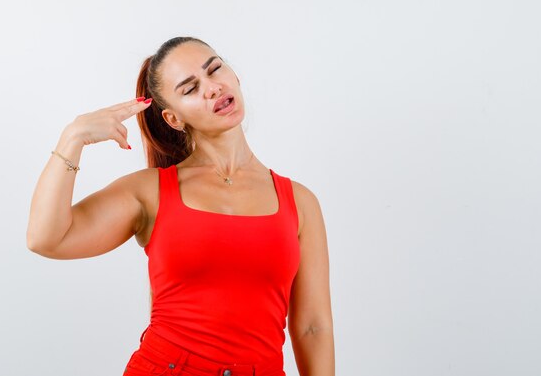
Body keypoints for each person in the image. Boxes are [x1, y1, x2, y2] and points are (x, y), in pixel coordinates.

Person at [26, 36, 334, 376]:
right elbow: (46, 238)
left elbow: (313, 327)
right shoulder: (150, 191)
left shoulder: (300, 202)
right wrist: (73, 138)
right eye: (190, 89)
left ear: (234, 76)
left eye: (215, 69)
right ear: (174, 119)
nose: (212, 88)